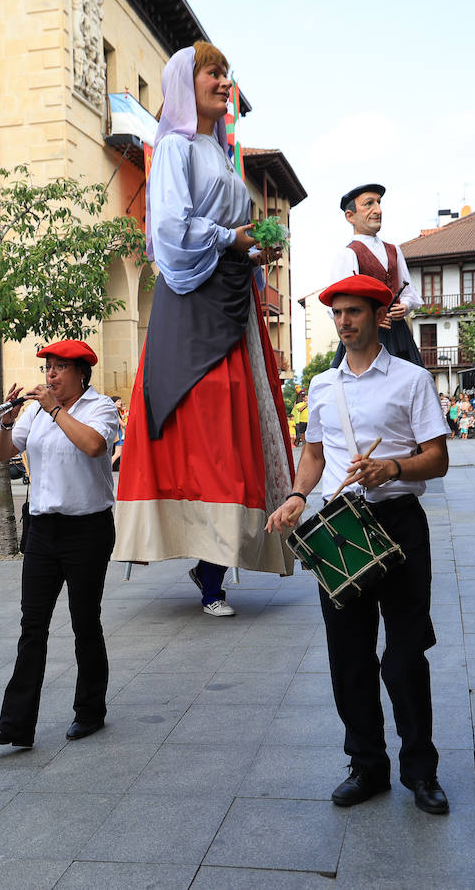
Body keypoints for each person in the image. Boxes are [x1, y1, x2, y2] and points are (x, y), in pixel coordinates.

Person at [114, 42, 293, 617]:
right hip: (193, 300)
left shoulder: (217, 153)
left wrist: (252, 248)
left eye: (224, 74)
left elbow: (222, 225)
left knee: (237, 426)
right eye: (213, 73)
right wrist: (231, 239)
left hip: (230, 300)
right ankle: (208, 565)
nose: (223, 82)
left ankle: (214, 563)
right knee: (208, 421)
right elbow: (167, 230)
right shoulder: (174, 148)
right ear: (185, 84)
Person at [266, 273, 451, 816]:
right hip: (342, 526)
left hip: (399, 522)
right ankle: (367, 766)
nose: (343, 322)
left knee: (404, 657)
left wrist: (391, 466)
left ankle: (421, 772)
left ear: (376, 315)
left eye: (352, 312)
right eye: (336, 314)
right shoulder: (323, 386)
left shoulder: (412, 380)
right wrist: (298, 494)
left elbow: (436, 458)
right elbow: (315, 454)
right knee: (348, 657)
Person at [0, 340, 120, 748]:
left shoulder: (100, 408)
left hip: (87, 529)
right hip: (42, 529)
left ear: (80, 373)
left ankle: (90, 710)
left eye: (58, 369)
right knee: (32, 626)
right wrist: (7, 421)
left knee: (84, 622)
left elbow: (94, 445)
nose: (50, 376)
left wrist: (55, 411)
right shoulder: (37, 413)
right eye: (47, 369)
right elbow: (2, 454)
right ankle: (16, 724)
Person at [328, 184, 425, 367]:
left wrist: (404, 306)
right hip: (366, 338)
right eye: (369, 204)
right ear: (350, 216)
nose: (378, 210)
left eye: (379, 203)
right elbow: (337, 305)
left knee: (408, 384)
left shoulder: (394, 250)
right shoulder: (347, 254)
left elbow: (409, 293)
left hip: (398, 335)